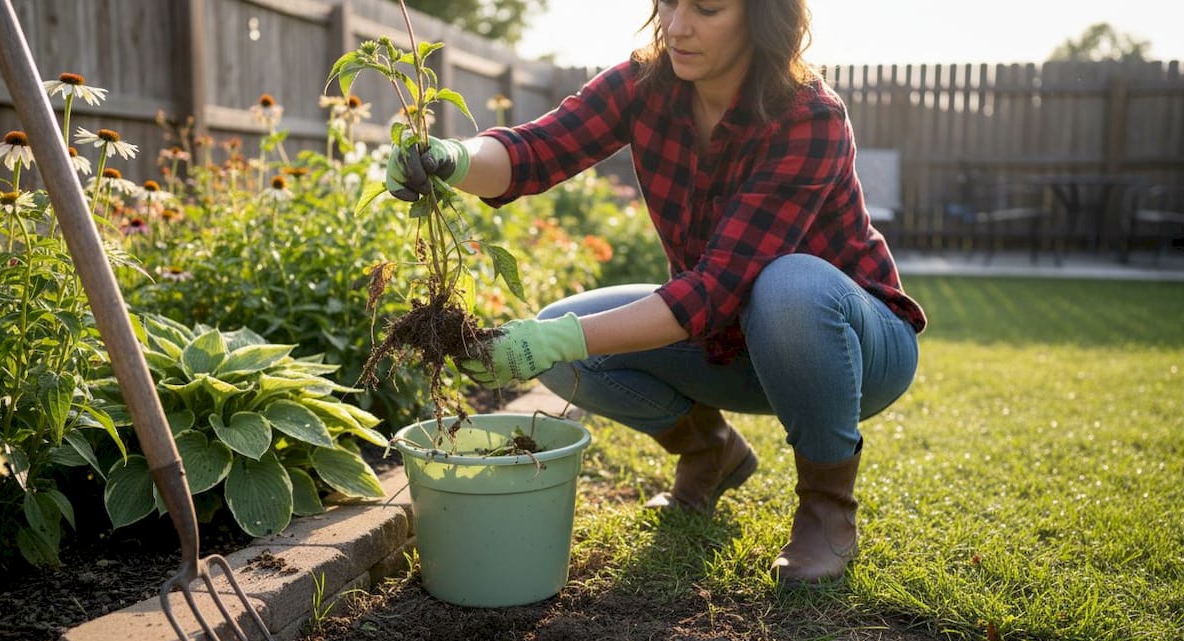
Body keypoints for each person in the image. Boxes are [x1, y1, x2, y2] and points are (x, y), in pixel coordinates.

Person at [385, 0, 926, 583]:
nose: (677, 26)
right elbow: (534, 152)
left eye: (707, 9)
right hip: (731, 339)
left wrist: (553, 339)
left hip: (852, 348)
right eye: (668, 2)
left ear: (762, 16)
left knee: (789, 284)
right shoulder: (644, 85)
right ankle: (710, 452)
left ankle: (826, 509)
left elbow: (714, 289)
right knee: (572, 350)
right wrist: (453, 159)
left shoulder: (808, 116)